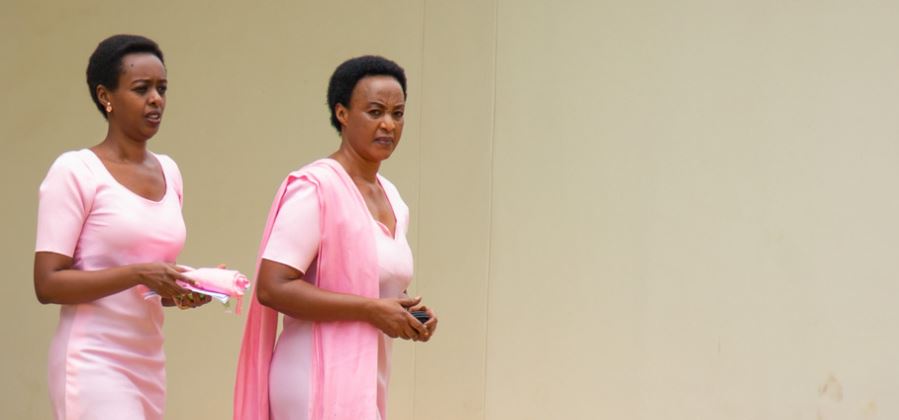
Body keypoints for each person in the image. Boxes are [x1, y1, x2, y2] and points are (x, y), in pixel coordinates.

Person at [234, 55, 438, 420]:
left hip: (365, 377)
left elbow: (370, 283)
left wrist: (408, 313)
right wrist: (371, 310)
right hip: (312, 376)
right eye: (375, 112)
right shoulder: (316, 188)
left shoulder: (392, 197)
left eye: (398, 113)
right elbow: (272, 287)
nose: (388, 124)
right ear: (342, 113)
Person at [33, 34, 210, 420]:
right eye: (141, 89)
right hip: (92, 362)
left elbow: (150, 284)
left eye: (162, 88)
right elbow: (47, 284)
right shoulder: (75, 171)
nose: (156, 99)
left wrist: (183, 289)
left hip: (149, 363)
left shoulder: (170, 172)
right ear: (105, 96)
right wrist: (138, 273)